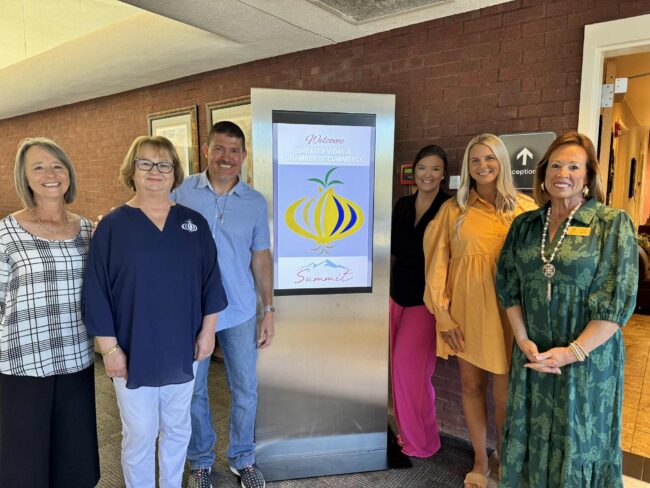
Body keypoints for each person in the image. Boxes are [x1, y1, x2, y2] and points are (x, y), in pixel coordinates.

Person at [82, 136, 227, 488]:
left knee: (177, 427)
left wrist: (208, 332)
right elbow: (96, 291)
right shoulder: (112, 226)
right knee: (140, 432)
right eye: (145, 162)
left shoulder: (193, 223)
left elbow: (211, 281)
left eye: (164, 164)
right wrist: (110, 350)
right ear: (131, 170)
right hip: (132, 348)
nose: (155, 171)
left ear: (175, 172)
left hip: (183, 346)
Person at [495, 132, 638, 487]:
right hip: (533, 356)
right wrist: (522, 339)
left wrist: (570, 353)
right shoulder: (526, 226)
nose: (563, 173)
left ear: (588, 175)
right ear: (543, 173)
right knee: (530, 432)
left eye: (574, 166)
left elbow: (616, 303)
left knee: (578, 441)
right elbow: (509, 288)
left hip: (586, 361)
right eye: (555, 165)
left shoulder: (611, 224)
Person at [423, 134, 536, 488]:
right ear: (467, 167)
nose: (482, 166)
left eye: (489, 158)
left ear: (502, 161)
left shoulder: (525, 209)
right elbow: (437, 265)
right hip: (466, 314)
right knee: (471, 387)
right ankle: (479, 458)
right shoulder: (453, 211)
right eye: (475, 160)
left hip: (510, 316)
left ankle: (503, 454)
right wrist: (443, 315)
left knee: (505, 395)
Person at [173, 121, 273, 488]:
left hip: (239, 310)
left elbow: (260, 257)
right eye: (219, 148)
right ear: (206, 150)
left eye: (234, 151)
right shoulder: (181, 192)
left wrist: (269, 311)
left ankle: (243, 457)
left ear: (244, 156)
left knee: (245, 389)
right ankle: (200, 461)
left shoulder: (255, 202)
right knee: (194, 390)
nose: (226, 157)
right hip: (192, 311)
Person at [0, 137, 100, 487]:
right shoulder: (6, 233)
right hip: (23, 361)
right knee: (24, 463)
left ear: (68, 174)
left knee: (73, 460)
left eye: (58, 166)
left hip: (75, 356)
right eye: (39, 167)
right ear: (25, 178)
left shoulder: (87, 230)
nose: (51, 174)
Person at [390, 145, 450, 457]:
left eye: (435, 169)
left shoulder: (449, 207)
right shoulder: (402, 204)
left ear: (444, 174)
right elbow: (392, 251)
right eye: (422, 168)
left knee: (410, 372)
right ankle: (409, 435)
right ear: (414, 171)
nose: (428, 174)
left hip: (425, 302)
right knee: (398, 371)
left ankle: (422, 442)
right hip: (395, 296)